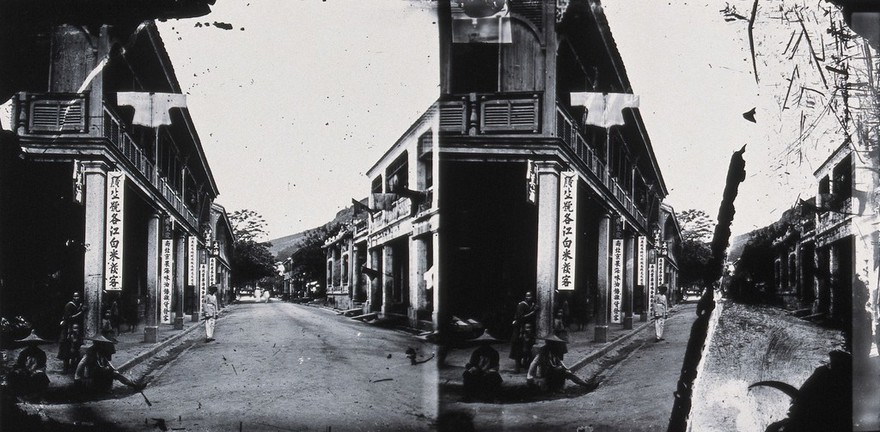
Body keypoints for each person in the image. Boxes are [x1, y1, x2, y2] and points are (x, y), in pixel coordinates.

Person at [74, 334, 144, 394]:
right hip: (93, 374)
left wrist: (113, 369)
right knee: (108, 371)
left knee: (114, 373)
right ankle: (103, 389)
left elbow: (107, 362)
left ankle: (134, 385)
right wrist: (77, 377)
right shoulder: (90, 352)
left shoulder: (102, 351)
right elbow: (82, 363)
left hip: (101, 372)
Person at [526, 334, 593, 393]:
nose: (555, 345)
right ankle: (557, 388)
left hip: (554, 373)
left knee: (566, 372)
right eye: (553, 343)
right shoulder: (543, 352)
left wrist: (567, 369)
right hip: (546, 375)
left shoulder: (554, 351)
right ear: (549, 343)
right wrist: (529, 375)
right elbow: (534, 363)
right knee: (560, 370)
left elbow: (560, 362)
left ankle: (586, 385)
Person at [6, 330, 50, 397]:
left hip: (36, 372)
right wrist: (21, 370)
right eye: (30, 343)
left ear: (36, 344)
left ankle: (38, 395)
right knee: (13, 375)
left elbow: (42, 365)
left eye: (34, 344)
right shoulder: (23, 353)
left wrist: (34, 371)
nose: (32, 345)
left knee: (41, 377)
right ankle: (18, 394)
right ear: (28, 344)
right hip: (24, 371)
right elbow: (19, 364)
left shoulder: (41, 353)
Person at [461, 333, 503, 402]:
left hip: (489, 374)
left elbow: (496, 366)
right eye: (483, 343)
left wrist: (489, 371)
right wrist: (473, 368)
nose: (485, 345)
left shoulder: (494, 353)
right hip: (477, 373)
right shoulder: (476, 352)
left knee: (495, 377)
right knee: (466, 374)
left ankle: (492, 397)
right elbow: (471, 364)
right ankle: (467, 396)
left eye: (487, 343)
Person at [509, 292, 536, 373]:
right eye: (528, 296)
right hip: (519, 329)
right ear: (525, 297)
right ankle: (517, 368)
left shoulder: (532, 305)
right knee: (518, 348)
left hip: (528, 329)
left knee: (527, 348)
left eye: (530, 296)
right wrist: (532, 313)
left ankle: (526, 364)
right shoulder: (521, 305)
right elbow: (520, 318)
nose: (529, 297)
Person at [57, 291, 85, 359]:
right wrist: (81, 312)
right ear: (73, 297)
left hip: (75, 326)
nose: (77, 298)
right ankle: (63, 356)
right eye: (75, 296)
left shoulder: (79, 305)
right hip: (68, 326)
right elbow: (69, 317)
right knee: (65, 341)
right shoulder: (69, 305)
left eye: (78, 296)